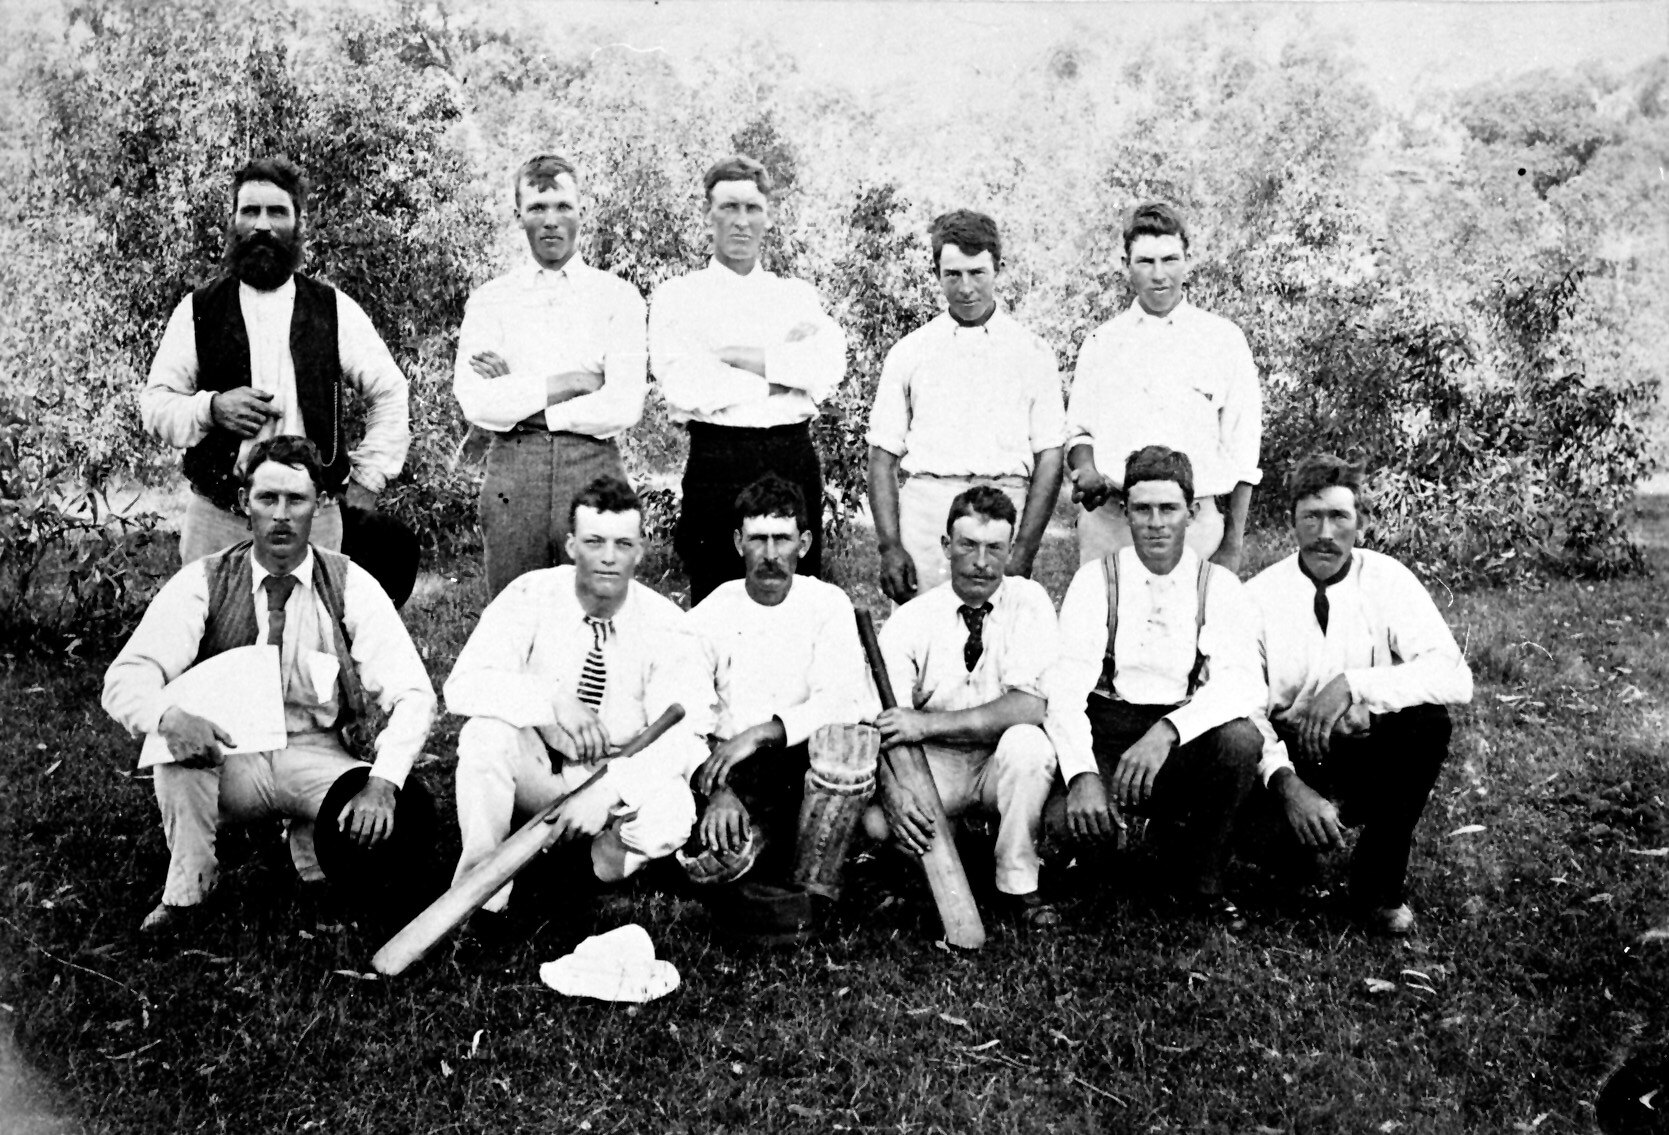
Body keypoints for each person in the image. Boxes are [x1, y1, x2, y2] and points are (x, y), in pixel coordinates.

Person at [102, 436, 439, 934]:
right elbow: (125, 678)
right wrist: (169, 718)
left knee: (403, 822)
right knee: (171, 752)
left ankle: (312, 851)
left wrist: (383, 784)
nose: (281, 516)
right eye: (267, 498)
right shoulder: (205, 580)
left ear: (319, 504)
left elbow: (414, 694)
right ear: (245, 503)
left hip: (316, 753)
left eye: (296, 500)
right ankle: (189, 888)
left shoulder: (349, 583)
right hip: (228, 756)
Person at [444, 475, 714, 933]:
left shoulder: (668, 624)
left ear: (640, 550)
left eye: (623, 544)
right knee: (484, 736)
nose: (609, 557)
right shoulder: (530, 595)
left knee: (672, 814)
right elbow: (463, 687)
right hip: (542, 768)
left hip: (615, 784)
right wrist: (551, 701)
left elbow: (683, 741)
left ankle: (585, 873)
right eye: (594, 541)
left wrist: (607, 792)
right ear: (571, 545)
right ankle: (481, 896)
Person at [141, 156, 410, 564]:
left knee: (313, 607)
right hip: (218, 520)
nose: (263, 225)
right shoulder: (198, 310)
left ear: (299, 223)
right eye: (250, 211)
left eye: (277, 212)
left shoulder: (332, 309)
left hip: (314, 522)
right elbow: (155, 405)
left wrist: (367, 481)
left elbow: (389, 391)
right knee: (211, 607)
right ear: (233, 221)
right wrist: (212, 408)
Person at [1246, 454, 1473, 935]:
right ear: (1292, 522)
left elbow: (1455, 676)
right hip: (1288, 757)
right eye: (1311, 517)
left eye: (1339, 517)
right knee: (1283, 865)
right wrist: (1288, 785)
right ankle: (1286, 856)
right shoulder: (1259, 596)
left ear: (1361, 523)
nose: (1325, 533)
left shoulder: (1387, 579)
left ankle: (1376, 885)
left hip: (1363, 749)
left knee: (1428, 724)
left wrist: (1354, 684)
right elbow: (1242, 707)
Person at [1044, 446, 1265, 928]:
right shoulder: (1096, 580)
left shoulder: (1218, 585)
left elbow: (1245, 683)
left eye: (1169, 508)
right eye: (1143, 509)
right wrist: (1082, 776)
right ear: (1126, 513)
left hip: (1180, 736)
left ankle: (1204, 882)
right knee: (1068, 826)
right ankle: (1101, 851)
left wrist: (1168, 731)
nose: (1156, 523)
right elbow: (1064, 690)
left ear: (1192, 512)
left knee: (1240, 739)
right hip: (1109, 729)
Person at [861, 486, 1062, 927]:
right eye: (968, 545)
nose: (981, 561)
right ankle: (920, 863)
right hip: (936, 764)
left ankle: (1018, 881)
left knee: (1030, 746)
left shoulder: (1029, 602)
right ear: (946, 546)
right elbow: (885, 723)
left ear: (1011, 549)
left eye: (995, 548)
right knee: (879, 824)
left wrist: (926, 725)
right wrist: (897, 792)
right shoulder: (912, 619)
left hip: (997, 760)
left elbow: (1029, 708)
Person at [649, 155, 846, 603]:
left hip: (791, 454)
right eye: (729, 207)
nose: (741, 221)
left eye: (752, 208)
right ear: (708, 213)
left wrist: (733, 358)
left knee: (795, 596)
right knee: (717, 596)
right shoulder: (678, 296)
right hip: (718, 460)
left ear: (767, 216)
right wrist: (779, 378)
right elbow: (686, 386)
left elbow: (826, 367)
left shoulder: (795, 295)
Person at [454, 154, 648, 599]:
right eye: (537, 208)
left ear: (582, 210)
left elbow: (622, 404)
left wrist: (519, 395)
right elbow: (476, 401)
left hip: (593, 462)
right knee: (515, 604)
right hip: (514, 469)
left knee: (598, 603)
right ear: (517, 215)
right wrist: (572, 383)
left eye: (563, 206)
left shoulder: (617, 297)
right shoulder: (491, 300)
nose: (551, 221)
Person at [680, 474, 872, 921]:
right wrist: (718, 792)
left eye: (782, 539)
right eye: (757, 539)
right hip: (734, 769)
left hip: (803, 760)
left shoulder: (827, 604)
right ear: (737, 542)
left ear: (803, 544)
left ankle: (813, 890)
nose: (770, 554)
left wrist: (763, 732)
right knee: (726, 859)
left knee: (845, 754)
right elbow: (686, 719)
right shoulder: (709, 615)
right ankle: (762, 859)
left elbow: (843, 700)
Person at [866, 210, 1065, 602]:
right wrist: (890, 546)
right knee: (924, 629)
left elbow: (1050, 456)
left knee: (1000, 631)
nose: (966, 288)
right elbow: (881, 457)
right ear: (936, 272)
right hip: (928, 516)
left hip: (1004, 508)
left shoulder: (1033, 352)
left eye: (977, 273)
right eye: (953, 275)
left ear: (998, 269)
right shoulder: (910, 352)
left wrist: (1024, 548)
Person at [1064, 202, 1261, 570]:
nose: (1159, 275)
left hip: (1196, 526)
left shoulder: (1223, 340)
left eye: (1170, 260)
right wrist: (1086, 469)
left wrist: (1232, 546)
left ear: (1188, 260)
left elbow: (1244, 451)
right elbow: (1079, 434)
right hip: (1112, 523)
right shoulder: (1102, 342)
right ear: (1126, 265)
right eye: (1145, 262)